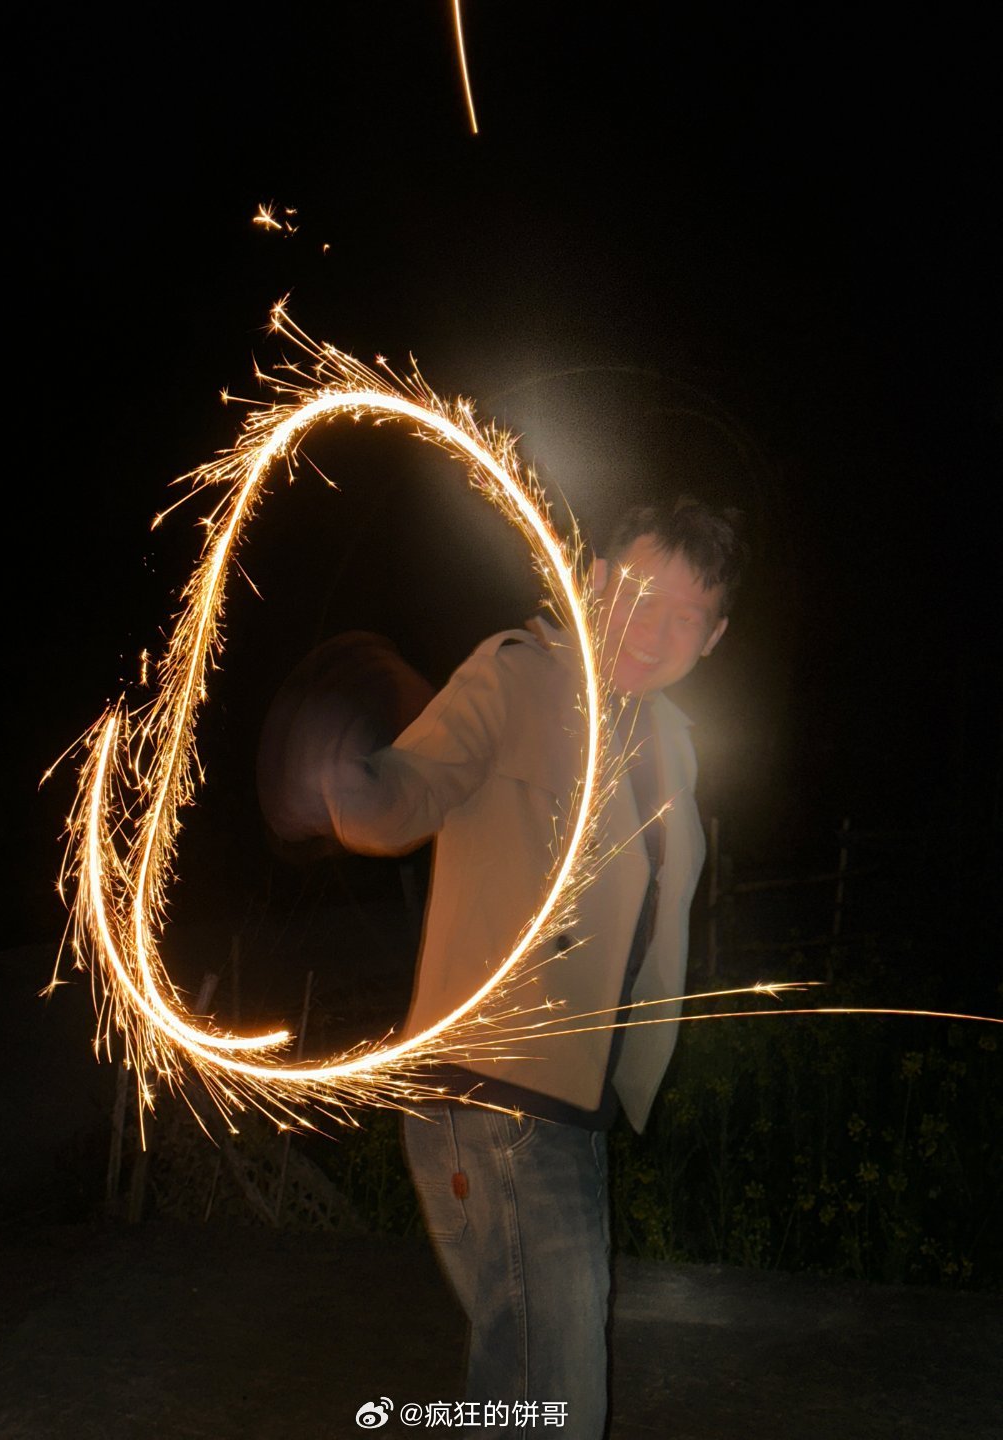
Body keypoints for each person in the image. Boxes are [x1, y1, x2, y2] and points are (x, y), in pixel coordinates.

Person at [270, 497, 746, 1437]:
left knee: (518, 1392)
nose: (658, 630)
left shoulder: (671, 744)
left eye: (688, 616)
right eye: (644, 596)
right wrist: (351, 786)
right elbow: (416, 785)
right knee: (553, 1406)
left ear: (715, 635)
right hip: (497, 1100)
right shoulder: (520, 677)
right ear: (598, 580)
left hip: (568, 1107)